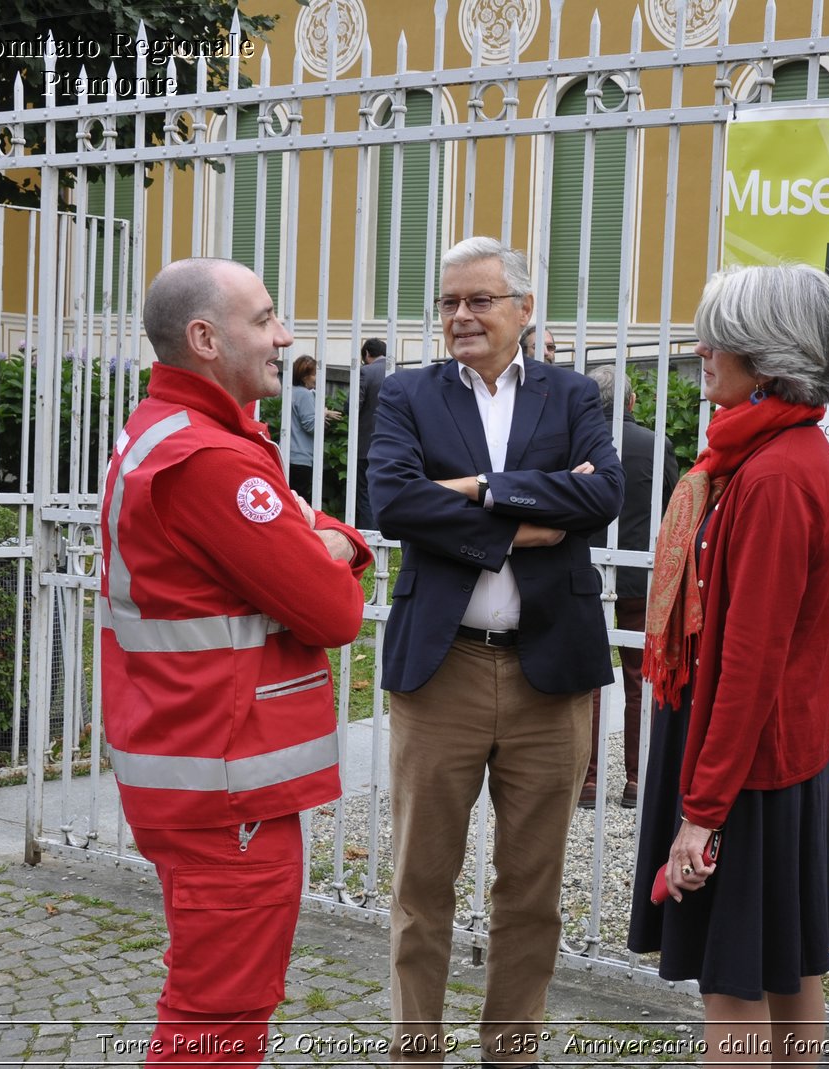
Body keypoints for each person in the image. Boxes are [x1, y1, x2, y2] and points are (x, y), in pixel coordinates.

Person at [99, 258, 372, 1066]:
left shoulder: (177, 432)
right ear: (206, 338)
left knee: (218, 1003)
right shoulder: (213, 460)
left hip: (199, 767)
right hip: (227, 785)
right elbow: (333, 613)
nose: (284, 335)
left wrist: (320, 541)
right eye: (265, 318)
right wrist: (334, 546)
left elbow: (296, 533)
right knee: (219, 1018)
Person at [367, 237, 623, 1065]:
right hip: (442, 672)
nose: (459, 317)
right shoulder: (406, 393)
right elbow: (394, 501)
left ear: (523, 308)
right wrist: (528, 518)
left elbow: (604, 495)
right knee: (420, 886)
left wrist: (478, 490)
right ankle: (417, 1052)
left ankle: (511, 1053)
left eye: (478, 300)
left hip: (550, 675)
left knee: (532, 891)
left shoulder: (575, 393)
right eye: (447, 302)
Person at [628, 263, 829, 1067]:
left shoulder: (770, 473)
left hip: (746, 771)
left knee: (735, 988)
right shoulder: (780, 452)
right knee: (787, 967)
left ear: (769, 354)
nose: (700, 348)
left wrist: (702, 811)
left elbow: (749, 661)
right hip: (776, 761)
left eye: (717, 336)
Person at [580, 364, 680, 810]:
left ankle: (586, 780)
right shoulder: (656, 445)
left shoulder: (576, 442)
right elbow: (673, 508)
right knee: (641, 677)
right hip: (641, 574)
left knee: (589, 678)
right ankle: (638, 780)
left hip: (586, 573)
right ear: (632, 402)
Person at [286, 354, 340, 500]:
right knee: (299, 502)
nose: (317, 378)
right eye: (315, 374)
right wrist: (322, 413)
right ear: (305, 377)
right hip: (301, 458)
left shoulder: (291, 392)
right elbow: (312, 427)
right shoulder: (305, 395)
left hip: (288, 455)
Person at [354, 337, 387, 527]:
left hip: (366, 443)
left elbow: (354, 405)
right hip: (395, 445)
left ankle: (370, 533)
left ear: (367, 354)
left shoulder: (366, 372)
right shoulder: (400, 373)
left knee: (365, 491)